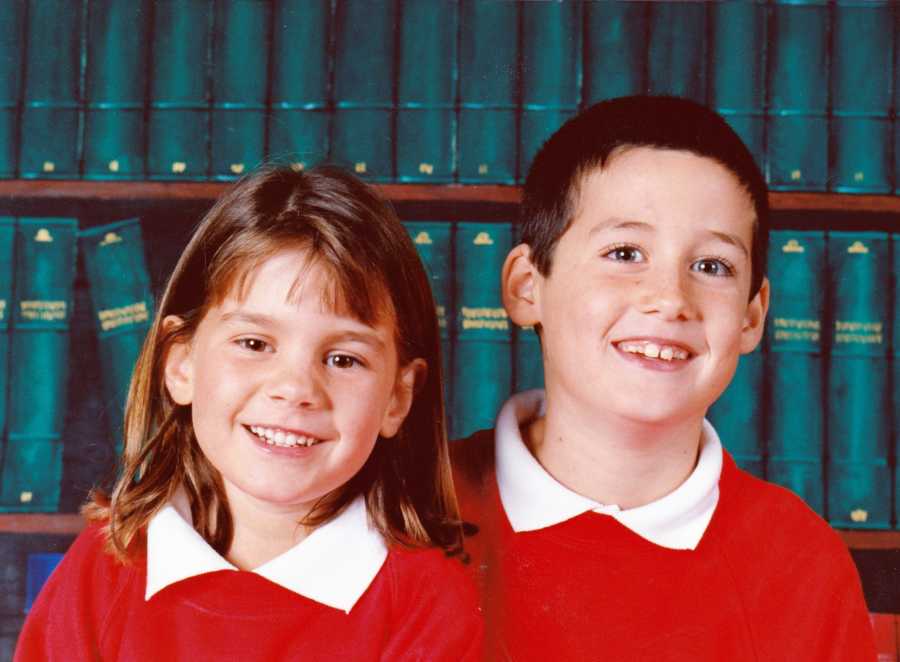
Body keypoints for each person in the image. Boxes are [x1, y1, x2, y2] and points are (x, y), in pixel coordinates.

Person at [451, 96, 876, 661]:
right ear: (527, 287)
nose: (670, 299)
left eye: (712, 266)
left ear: (753, 314)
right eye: (625, 253)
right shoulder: (412, 509)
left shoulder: (802, 563)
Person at [16, 166, 483, 661]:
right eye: (255, 343)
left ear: (397, 398)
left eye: (344, 359)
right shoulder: (106, 564)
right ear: (181, 364)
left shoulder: (426, 602)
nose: (295, 389)